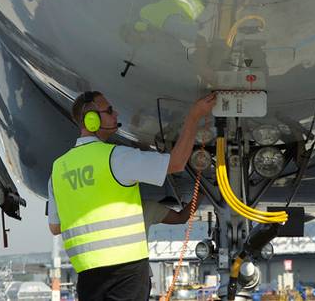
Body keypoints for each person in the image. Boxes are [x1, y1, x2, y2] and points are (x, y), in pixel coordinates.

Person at [48, 90, 217, 301]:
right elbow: (176, 163)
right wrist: (194, 116)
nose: (116, 114)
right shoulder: (115, 157)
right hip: (126, 272)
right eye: (109, 111)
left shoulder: (58, 169)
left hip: (87, 274)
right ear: (92, 120)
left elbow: (55, 227)